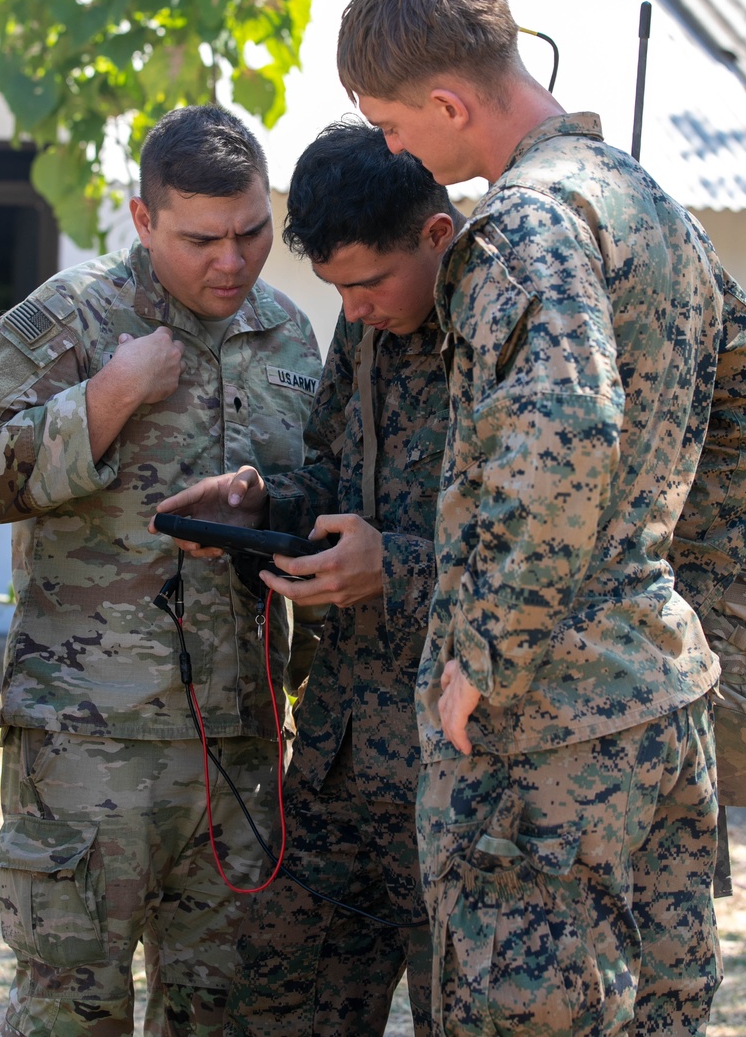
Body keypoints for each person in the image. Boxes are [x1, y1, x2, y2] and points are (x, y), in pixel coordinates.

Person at [335, 0, 746, 1036]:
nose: (398, 155)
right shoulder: (643, 201)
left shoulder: (523, 224)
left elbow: (562, 430)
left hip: (544, 736)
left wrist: (486, 656)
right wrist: (657, 578)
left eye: (397, 128)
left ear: (450, 103)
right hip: (661, 693)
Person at [0, 104, 322, 1037]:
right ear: (142, 218)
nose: (231, 262)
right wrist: (109, 395)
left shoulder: (287, 334)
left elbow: (322, 492)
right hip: (87, 741)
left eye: (251, 232)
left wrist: (263, 509)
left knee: (223, 1014)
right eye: (201, 239)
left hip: (236, 743)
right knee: (70, 1015)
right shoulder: (70, 316)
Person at [154, 121, 463, 1035]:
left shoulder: (525, 330)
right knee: (279, 1012)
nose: (354, 308)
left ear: (438, 238)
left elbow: (563, 545)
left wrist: (395, 569)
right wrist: (261, 508)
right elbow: (332, 474)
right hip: (336, 766)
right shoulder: (368, 327)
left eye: (368, 283)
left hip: (457, 776)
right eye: (336, 289)